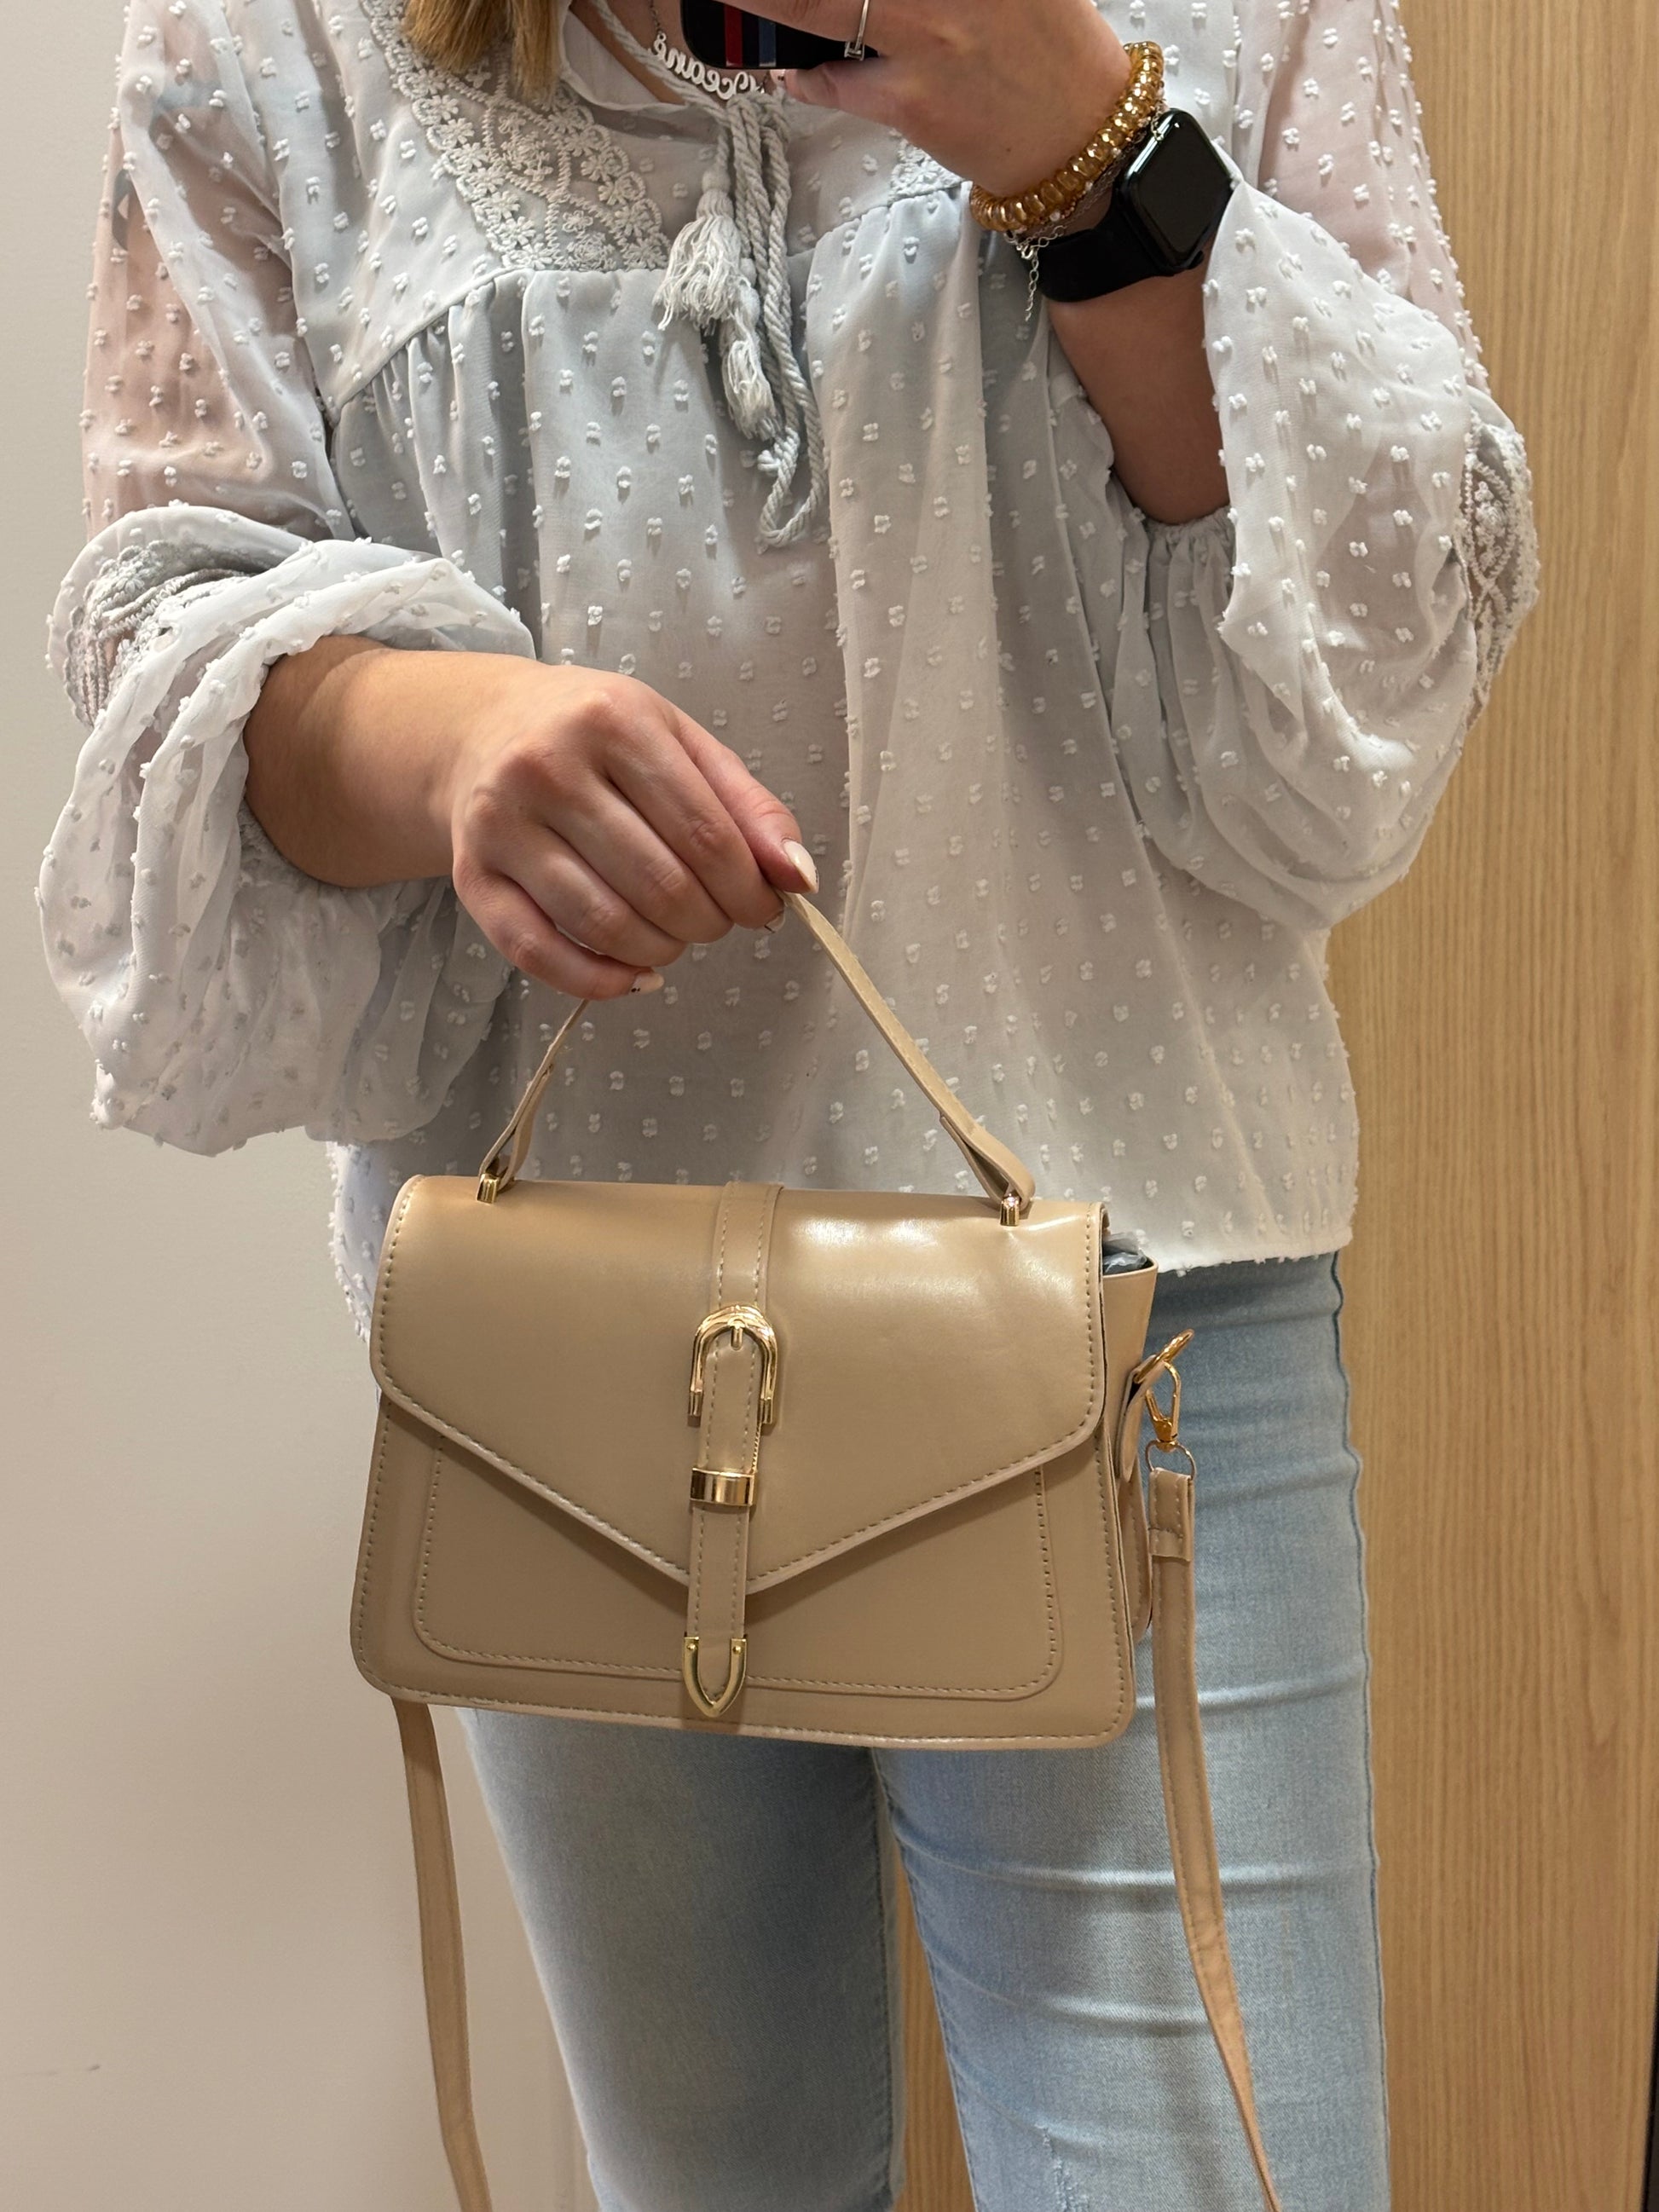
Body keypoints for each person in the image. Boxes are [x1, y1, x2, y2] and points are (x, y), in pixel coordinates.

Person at [43, 0, 1538, 2205]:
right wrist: (448, 743)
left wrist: (1089, 142)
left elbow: (1370, 695)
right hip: (566, 1348)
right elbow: (171, 628)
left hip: (1132, 1325)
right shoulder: (276, 39)